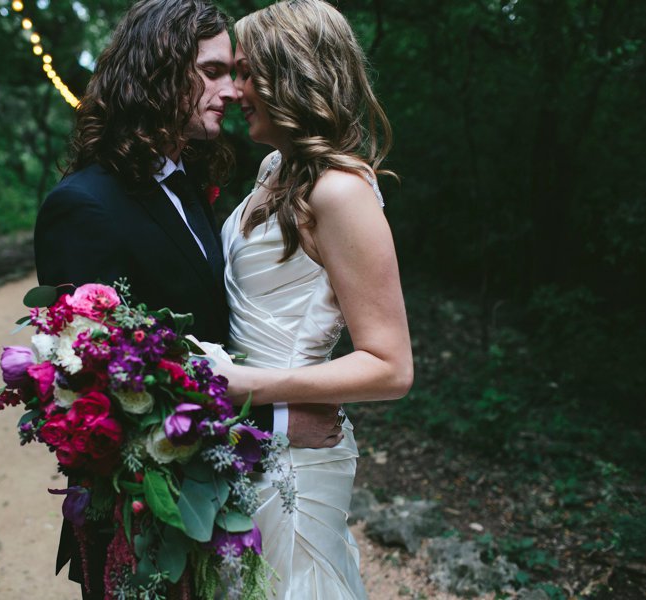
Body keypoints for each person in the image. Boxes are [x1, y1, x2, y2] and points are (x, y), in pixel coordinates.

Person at [33, 1, 343, 596]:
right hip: (146, 526)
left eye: (234, 73)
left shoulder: (187, 182)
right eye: (212, 70)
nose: (230, 90)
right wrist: (275, 421)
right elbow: (102, 394)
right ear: (155, 70)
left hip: (216, 507)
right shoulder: (85, 205)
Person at [213, 1, 414, 597]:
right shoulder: (276, 169)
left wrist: (250, 391)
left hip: (293, 452)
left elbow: (390, 367)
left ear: (291, 73)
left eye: (247, 72)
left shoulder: (340, 192)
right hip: (248, 436)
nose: (234, 89)